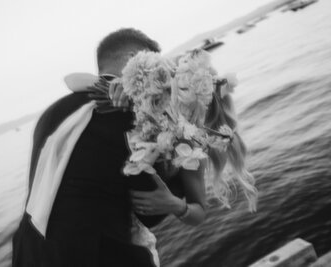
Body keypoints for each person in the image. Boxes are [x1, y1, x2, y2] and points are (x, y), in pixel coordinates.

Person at [12, 28, 207, 267]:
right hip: (95, 256)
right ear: (137, 59)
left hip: (29, 254)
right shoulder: (131, 116)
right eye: (155, 63)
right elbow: (151, 212)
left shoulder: (50, 115)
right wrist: (174, 175)